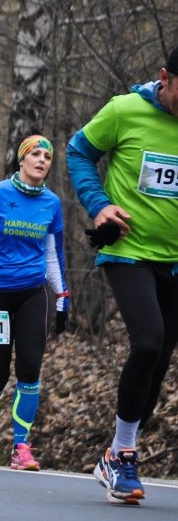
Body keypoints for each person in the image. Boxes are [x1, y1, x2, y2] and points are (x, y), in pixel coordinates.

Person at [67, 45, 178, 505]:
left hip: (174, 259)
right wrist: (98, 205)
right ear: (165, 78)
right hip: (128, 250)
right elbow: (78, 153)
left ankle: (115, 453)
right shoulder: (125, 111)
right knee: (148, 341)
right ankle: (126, 456)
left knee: (160, 358)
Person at [0, 135, 68, 472]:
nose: (42, 160)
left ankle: (21, 447)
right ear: (21, 160)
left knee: (30, 370)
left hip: (33, 294)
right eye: (35, 153)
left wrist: (62, 297)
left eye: (48, 156)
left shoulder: (51, 203)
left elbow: (53, 253)